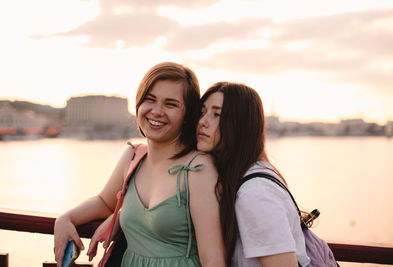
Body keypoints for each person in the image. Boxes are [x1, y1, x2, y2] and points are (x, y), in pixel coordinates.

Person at [53, 62, 226, 267]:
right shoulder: (133, 156)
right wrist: (65, 219)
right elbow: (105, 202)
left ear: (188, 115)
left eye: (170, 104)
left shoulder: (197, 169)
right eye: (150, 99)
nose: (156, 111)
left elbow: (213, 260)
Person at [196, 82, 310, 267]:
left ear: (241, 125)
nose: (203, 121)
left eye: (217, 114)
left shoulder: (256, 192)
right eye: (202, 112)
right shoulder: (243, 176)